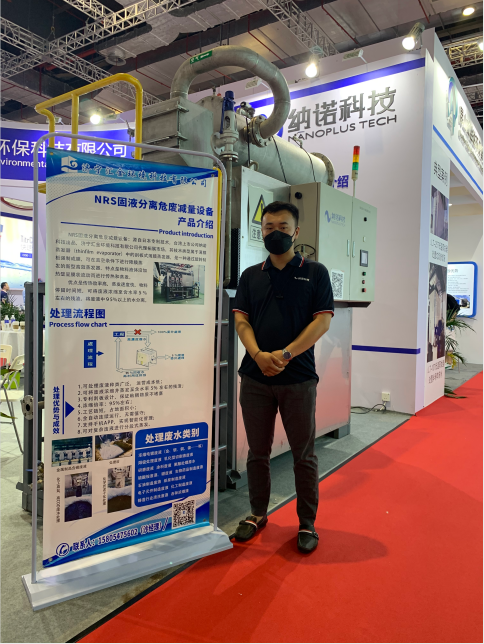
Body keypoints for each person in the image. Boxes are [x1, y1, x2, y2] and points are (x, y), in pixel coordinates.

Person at [232, 201, 334, 554]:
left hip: (298, 379)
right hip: (255, 378)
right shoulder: (250, 275)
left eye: (282, 227)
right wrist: (258, 356)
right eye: (268, 227)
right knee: (257, 452)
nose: (275, 233)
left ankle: (307, 523)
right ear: (261, 231)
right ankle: (257, 513)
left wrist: (285, 355)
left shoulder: (315, 272)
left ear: (296, 231)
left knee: (303, 454)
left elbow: (322, 322)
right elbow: (241, 320)